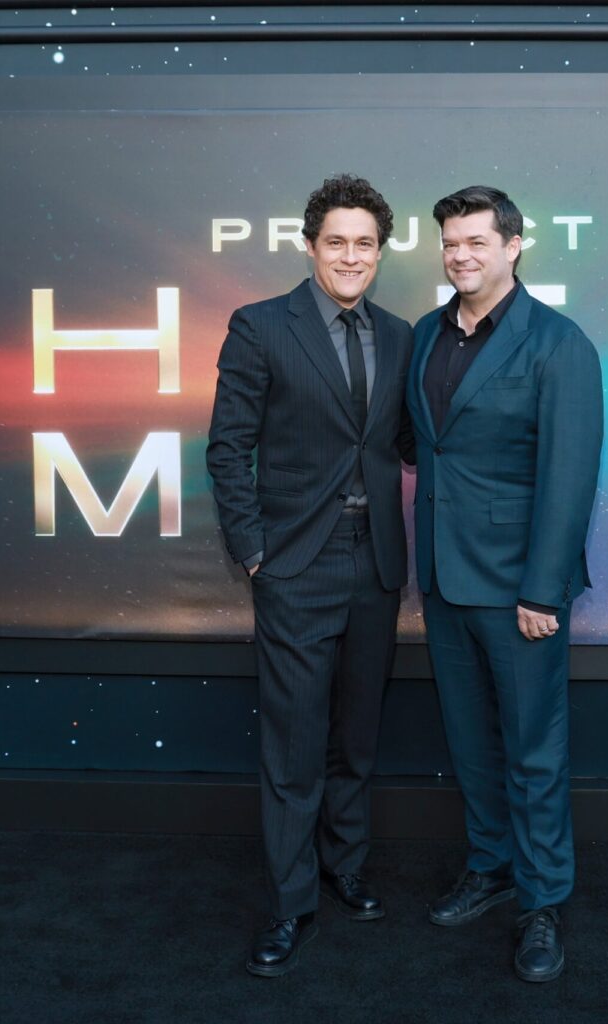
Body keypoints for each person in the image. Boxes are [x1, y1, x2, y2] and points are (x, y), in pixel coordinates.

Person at [206, 175, 414, 978]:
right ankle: (290, 903)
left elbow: (405, 442)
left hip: (377, 562)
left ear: (380, 252)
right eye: (337, 242)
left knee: (355, 736)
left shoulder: (400, 335)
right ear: (310, 247)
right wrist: (254, 551)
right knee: (294, 745)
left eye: (365, 244)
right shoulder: (261, 326)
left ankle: (344, 866)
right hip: (295, 564)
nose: (351, 256)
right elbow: (228, 447)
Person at [406, 185, 603, 983]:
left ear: (514, 247)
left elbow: (569, 478)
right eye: (451, 243)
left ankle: (542, 900)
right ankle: (489, 867)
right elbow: (425, 447)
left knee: (533, 752)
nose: (460, 255)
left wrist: (542, 593)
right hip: (443, 580)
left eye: (476, 242)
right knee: (471, 745)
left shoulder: (558, 343)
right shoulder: (425, 334)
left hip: (520, 591)